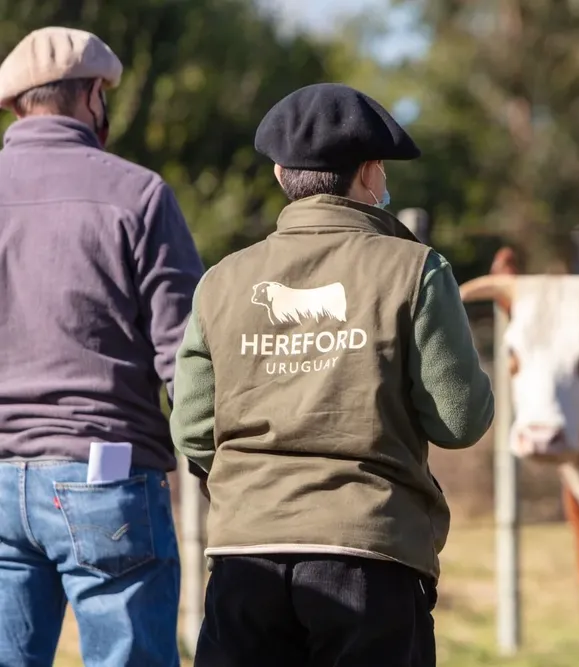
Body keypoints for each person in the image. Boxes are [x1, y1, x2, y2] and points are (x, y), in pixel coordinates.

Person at [170, 82, 495, 667]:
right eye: (381, 170)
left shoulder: (221, 281)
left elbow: (192, 429)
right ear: (369, 174)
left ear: (279, 174)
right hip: (370, 555)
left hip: (244, 558)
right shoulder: (415, 269)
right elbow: (459, 420)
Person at [0, 27, 204, 667]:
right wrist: (218, 461)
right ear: (93, 96)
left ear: (17, 105)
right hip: (106, 474)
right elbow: (185, 353)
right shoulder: (138, 194)